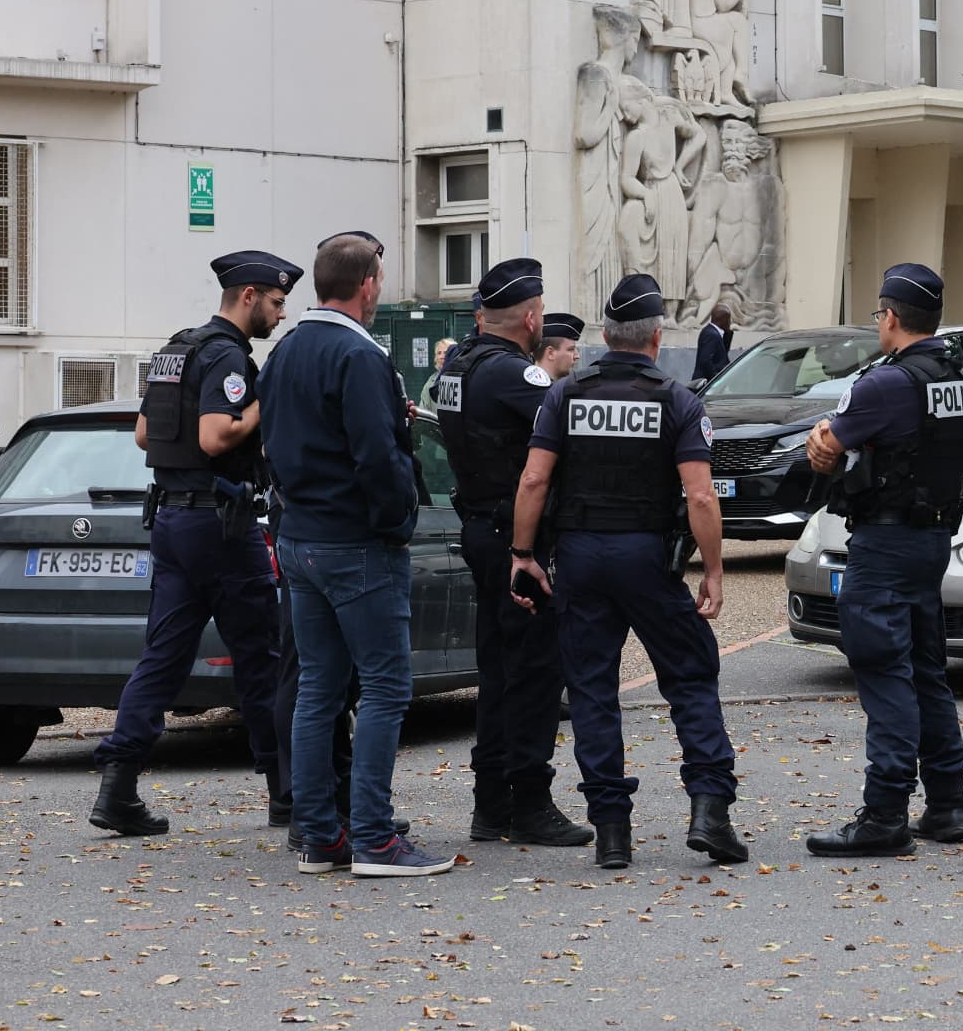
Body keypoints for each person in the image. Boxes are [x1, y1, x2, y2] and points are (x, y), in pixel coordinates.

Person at [507, 272, 749, 871]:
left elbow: (535, 479)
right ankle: (710, 810)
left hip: (582, 558)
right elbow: (699, 498)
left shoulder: (564, 396)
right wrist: (714, 569)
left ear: (607, 335)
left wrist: (522, 554)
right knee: (690, 676)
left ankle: (612, 831)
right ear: (656, 337)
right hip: (647, 558)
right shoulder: (677, 399)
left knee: (591, 689)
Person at [261, 232, 455, 877]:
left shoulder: (284, 350)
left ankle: (321, 836)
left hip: (300, 537)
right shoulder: (360, 354)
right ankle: (375, 836)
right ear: (369, 284)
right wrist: (397, 522)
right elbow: (379, 456)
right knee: (384, 689)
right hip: (357, 542)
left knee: (318, 689)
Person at [89, 251, 300, 837]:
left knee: (162, 657)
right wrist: (265, 401)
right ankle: (285, 792)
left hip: (173, 523)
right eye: (278, 303)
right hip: (221, 527)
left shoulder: (175, 349)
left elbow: (142, 433)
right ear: (250, 295)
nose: (282, 316)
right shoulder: (229, 355)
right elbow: (215, 435)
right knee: (260, 659)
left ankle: (118, 785)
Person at [801, 262, 963, 856]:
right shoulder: (957, 374)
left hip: (885, 542)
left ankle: (883, 815)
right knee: (926, 668)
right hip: (932, 542)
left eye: (879, 314)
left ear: (892, 317)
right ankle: (948, 804)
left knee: (884, 671)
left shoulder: (887, 382)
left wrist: (827, 430)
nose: (878, 323)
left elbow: (828, 446)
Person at [433, 259, 593, 848]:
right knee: (531, 672)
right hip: (513, 536)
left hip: (480, 526)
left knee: (499, 669)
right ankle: (528, 801)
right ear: (531, 318)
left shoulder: (459, 365)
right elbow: (569, 434)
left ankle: (491, 802)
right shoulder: (511, 375)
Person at [694, 302, 733, 381]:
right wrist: (715, 379)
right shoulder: (711, 334)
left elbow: (723, 353)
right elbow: (705, 360)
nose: (730, 322)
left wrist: (728, 333)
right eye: (728, 319)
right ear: (722, 319)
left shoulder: (713, 332)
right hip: (706, 383)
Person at [419, 338, 457, 406]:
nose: (441, 357)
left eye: (446, 352)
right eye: (439, 353)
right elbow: (423, 408)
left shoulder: (462, 378)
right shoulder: (431, 382)